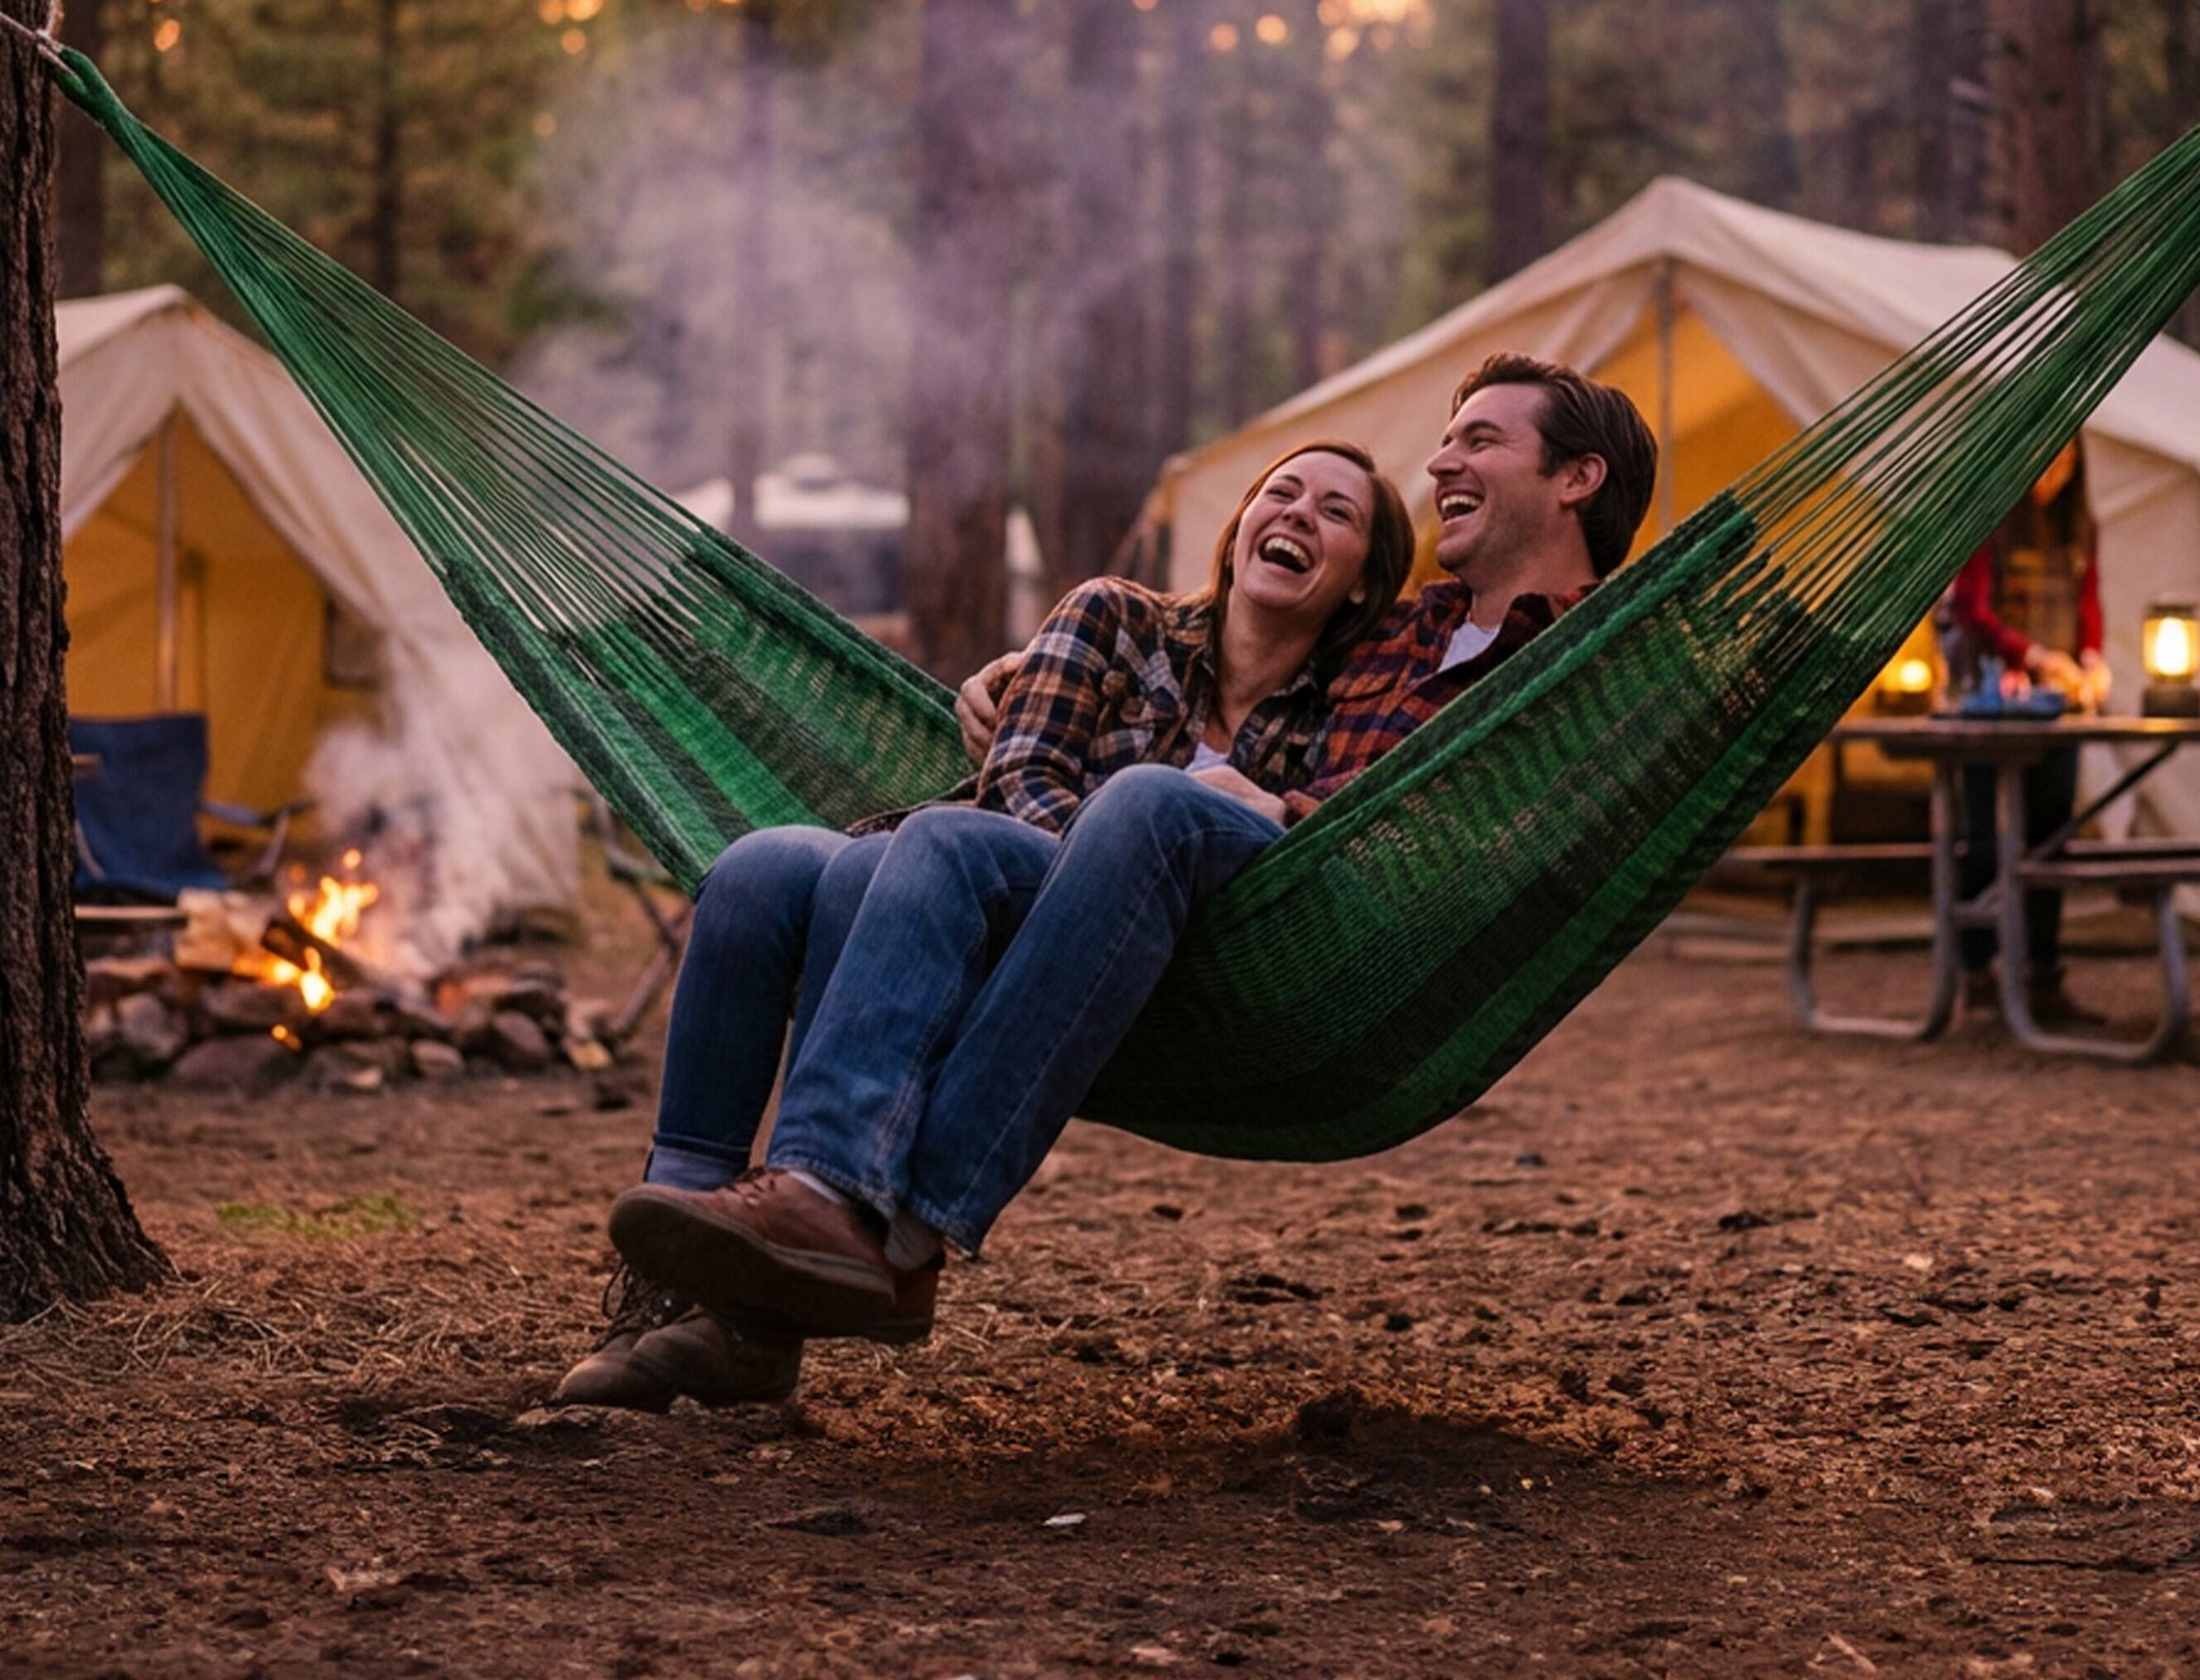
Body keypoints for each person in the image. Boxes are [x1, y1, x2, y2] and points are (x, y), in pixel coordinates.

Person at [598, 353, 1656, 1372]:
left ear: (1576, 479)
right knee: (768, 865)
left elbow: (1452, 828)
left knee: (1118, 805)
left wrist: (1286, 804)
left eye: (1478, 440)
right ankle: (716, 1292)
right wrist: (1022, 680)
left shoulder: (1593, 663)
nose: (1440, 465)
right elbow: (1169, 703)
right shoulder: (1398, 628)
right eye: (1442, 443)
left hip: (1298, 939)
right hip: (1116, 904)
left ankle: (899, 1229)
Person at [560, 438, 1414, 1409]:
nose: (1299, 513)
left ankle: (828, 1205)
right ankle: (681, 1291)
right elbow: (1019, 780)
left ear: (1357, 584)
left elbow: (1373, 821)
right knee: (760, 870)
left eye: (1336, 513)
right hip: (1012, 891)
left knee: (937, 846)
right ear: (1237, 531)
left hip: (1171, 960)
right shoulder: (1116, 616)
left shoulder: (1343, 704)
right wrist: (1093, 870)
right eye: (1283, 491)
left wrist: (1270, 811)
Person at [1939, 437, 2112, 1025]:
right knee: (1985, 838)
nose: (2054, 472)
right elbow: (1971, 609)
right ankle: (1976, 972)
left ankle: (2043, 974)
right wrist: (2033, 655)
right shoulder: (1985, 517)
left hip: (2055, 710)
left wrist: (2090, 657)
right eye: (2046, 457)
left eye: (2066, 461)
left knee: (2049, 838)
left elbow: (2090, 605)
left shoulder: (2079, 525)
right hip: (1987, 710)